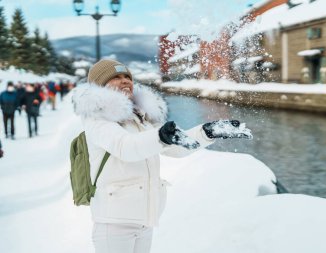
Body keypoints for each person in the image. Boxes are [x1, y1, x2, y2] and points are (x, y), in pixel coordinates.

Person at [72, 59, 252, 253]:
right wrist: (160, 136)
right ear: (100, 85)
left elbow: (177, 147)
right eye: (115, 77)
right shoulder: (97, 119)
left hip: (144, 219)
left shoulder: (139, 117)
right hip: (114, 223)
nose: (124, 81)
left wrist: (208, 132)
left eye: (127, 76)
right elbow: (126, 148)